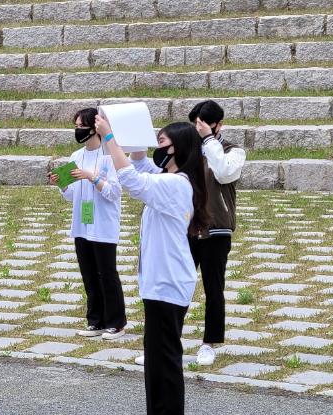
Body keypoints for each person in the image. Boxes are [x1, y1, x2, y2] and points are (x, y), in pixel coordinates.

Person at [95, 116, 209, 415]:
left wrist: (109, 137)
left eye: (161, 142)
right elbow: (140, 167)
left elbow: (131, 180)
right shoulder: (169, 179)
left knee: (164, 363)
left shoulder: (175, 184)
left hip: (167, 284)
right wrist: (132, 134)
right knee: (158, 362)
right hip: (163, 284)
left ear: (177, 148)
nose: (157, 148)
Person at [48, 108, 127, 340]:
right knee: (89, 274)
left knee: (107, 274)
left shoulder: (110, 156)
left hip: (103, 225)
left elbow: (114, 192)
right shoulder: (76, 156)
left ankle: (116, 323)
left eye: (81, 126)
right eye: (75, 127)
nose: (78, 131)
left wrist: (92, 177)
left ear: (94, 128)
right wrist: (61, 184)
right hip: (82, 224)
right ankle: (95, 321)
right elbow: (72, 195)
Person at [187, 100, 246, 366]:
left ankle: (209, 343)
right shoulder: (189, 149)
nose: (198, 129)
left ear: (218, 124)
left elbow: (223, 172)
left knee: (213, 287)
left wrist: (209, 140)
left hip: (217, 228)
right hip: (188, 226)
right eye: (195, 125)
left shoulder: (234, 151)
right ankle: (168, 339)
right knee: (177, 284)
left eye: (203, 124)